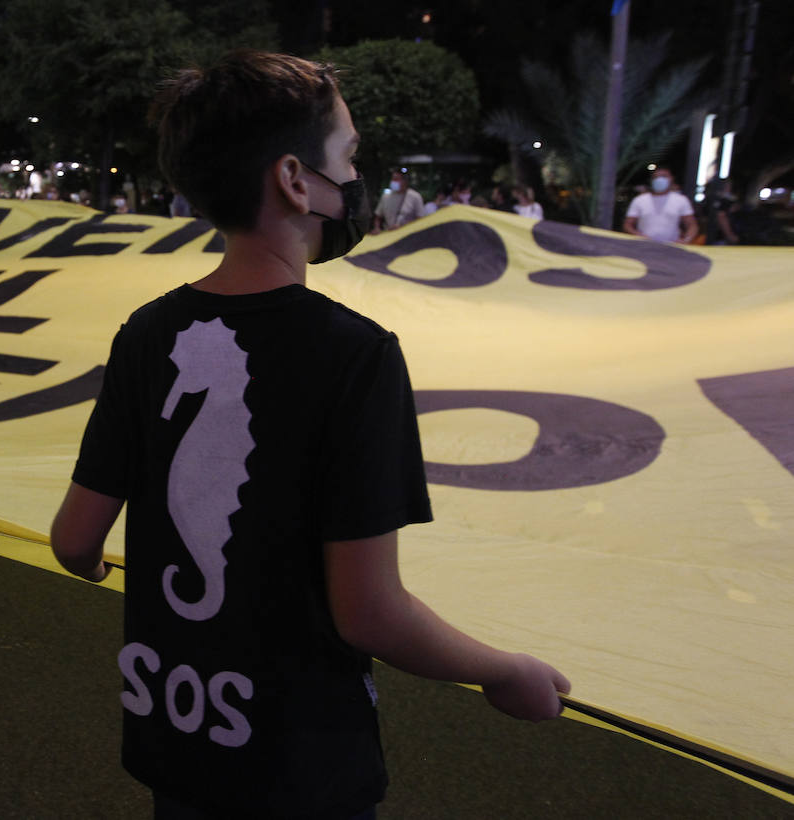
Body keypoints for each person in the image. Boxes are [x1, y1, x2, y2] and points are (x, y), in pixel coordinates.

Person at [50, 51, 570, 820]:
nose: (356, 181)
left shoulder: (146, 333)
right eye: (349, 158)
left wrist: (94, 567)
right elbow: (367, 611)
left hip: (178, 737)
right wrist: (501, 671)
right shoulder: (356, 356)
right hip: (299, 766)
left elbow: (73, 539)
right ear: (295, 181)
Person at [623, 167, 698, 243]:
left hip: (670, 247)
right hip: (644, 245)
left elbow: (692, 225)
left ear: (671, 178)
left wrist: (686, 240)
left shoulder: (681, 200)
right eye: (656, 177)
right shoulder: (640, 200)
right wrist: (638, 235)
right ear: (652, 180)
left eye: (664, 176)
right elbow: (628, 224)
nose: (659, 179)